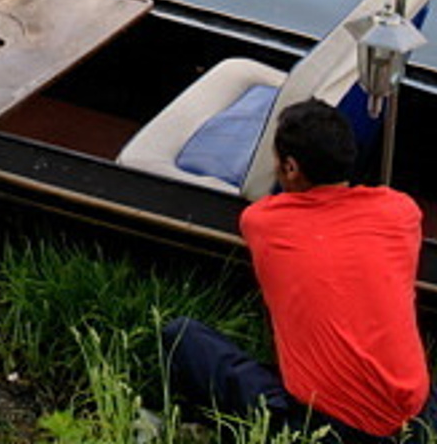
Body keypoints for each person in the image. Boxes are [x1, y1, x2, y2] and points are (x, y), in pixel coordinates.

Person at [163, 98, 437, 443]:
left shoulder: (262, 222)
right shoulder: (402, 211)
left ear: (291, 168)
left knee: (180, 336)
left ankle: (202, 428)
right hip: (416, 420)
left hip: (327, 430)